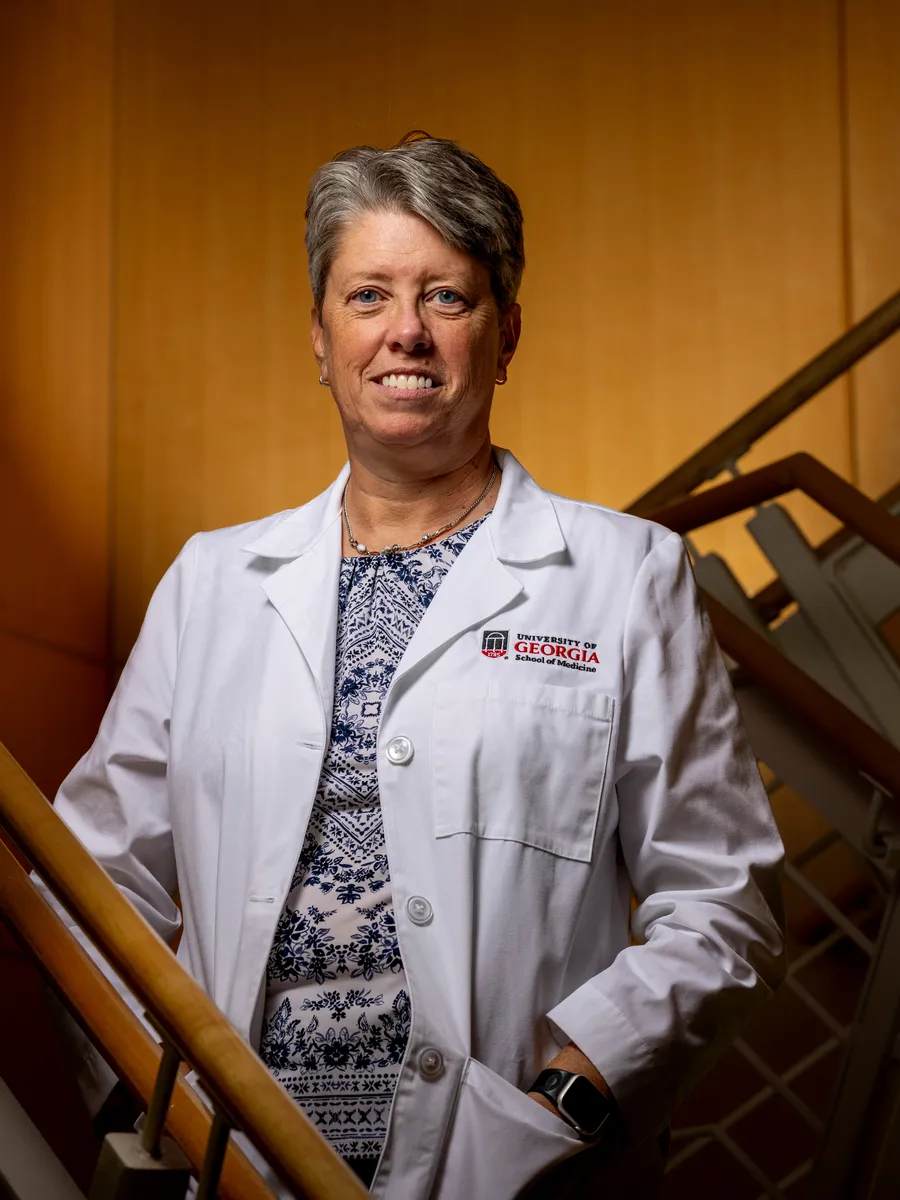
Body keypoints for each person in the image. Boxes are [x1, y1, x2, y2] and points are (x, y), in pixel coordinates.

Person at [50, 133, 785, 1198]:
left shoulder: (626, 577)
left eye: (447, 297)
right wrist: (136, 1097)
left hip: (498, 1167)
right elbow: (87, 882)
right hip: (231, 1162)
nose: (406, 332)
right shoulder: (211, 584)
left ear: (507, 334)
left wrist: (567, 1102)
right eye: (368, 297)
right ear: (317, 334)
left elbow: (723, 901)